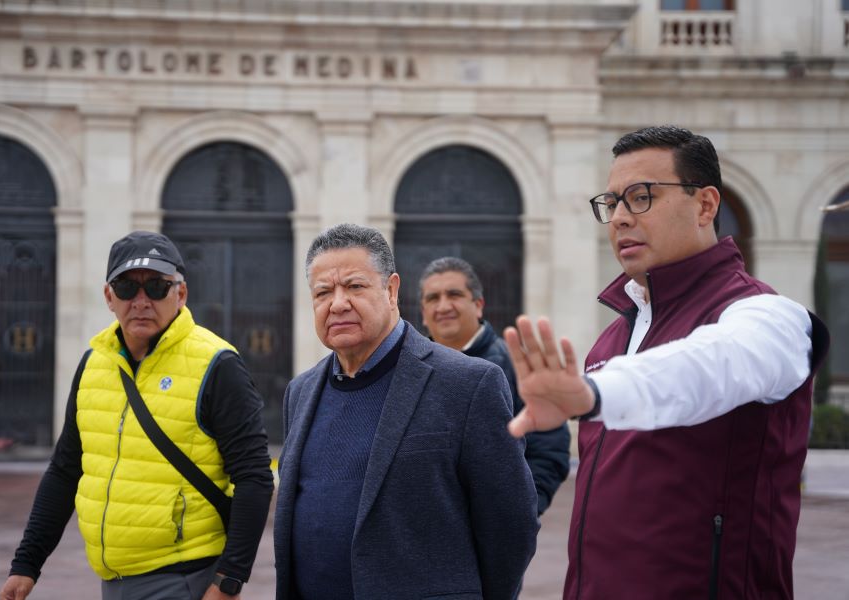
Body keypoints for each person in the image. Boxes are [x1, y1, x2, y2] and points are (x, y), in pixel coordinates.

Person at [503, 126, 829, 599]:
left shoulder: (767, 316)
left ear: (705, 205)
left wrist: (594, 394)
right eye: (611, 203)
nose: (618, 218)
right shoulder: (613, 338)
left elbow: (709, 366)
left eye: (640, 197)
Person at [0, 231, 274, 600]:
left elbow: (254, 476)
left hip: (184, 578)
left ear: (181, 294)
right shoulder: (94, 364)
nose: (141, 301)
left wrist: (228, 580)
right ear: (109, 297)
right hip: (114, 581)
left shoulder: (218, 365)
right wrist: (26, 564)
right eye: (127, 287)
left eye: (157, 287)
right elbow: (66, 468)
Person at [274, 223, 539, 600]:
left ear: (391, 289)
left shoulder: (468, 383)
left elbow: (511, 525)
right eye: (322, 292)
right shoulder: (299, 393)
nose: (337, 303)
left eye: (354, 286)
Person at [418, 256, 570, 515]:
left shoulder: (517, 366)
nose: (443, 306)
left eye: (454, 294)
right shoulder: (408, 370)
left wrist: (520, 513)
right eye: (433, 298)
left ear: (478, 305)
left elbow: (548, 447)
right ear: (423, 314)